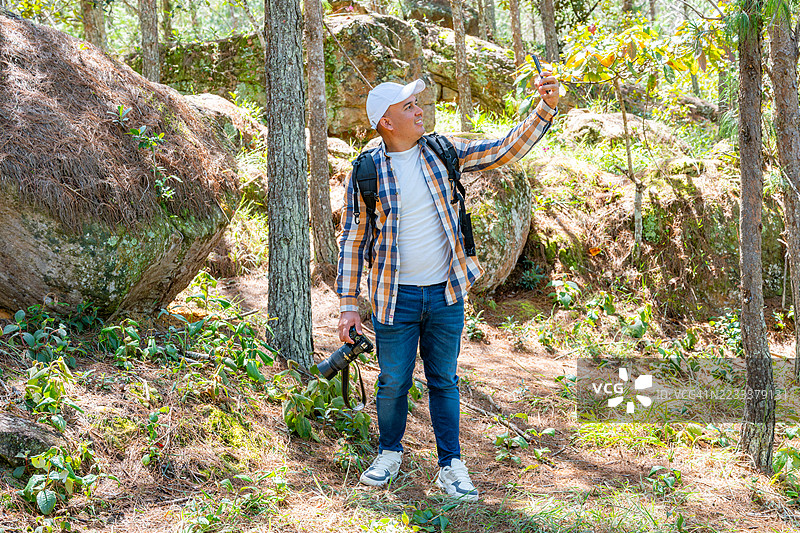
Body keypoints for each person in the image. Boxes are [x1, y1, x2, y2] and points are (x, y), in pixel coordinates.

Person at [336, 70, 560, 501]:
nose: (419, 110)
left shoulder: (442, 151)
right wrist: (348, 303)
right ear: (386, 122)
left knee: (444, 380)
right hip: (393, 298)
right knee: (392, 381)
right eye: (409, 107)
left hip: (446, 293)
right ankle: (389, 453)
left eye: (417, 103)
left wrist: (545, 108)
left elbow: (502, 149)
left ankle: (450, 465)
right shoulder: (367, 171)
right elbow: (353, 239)